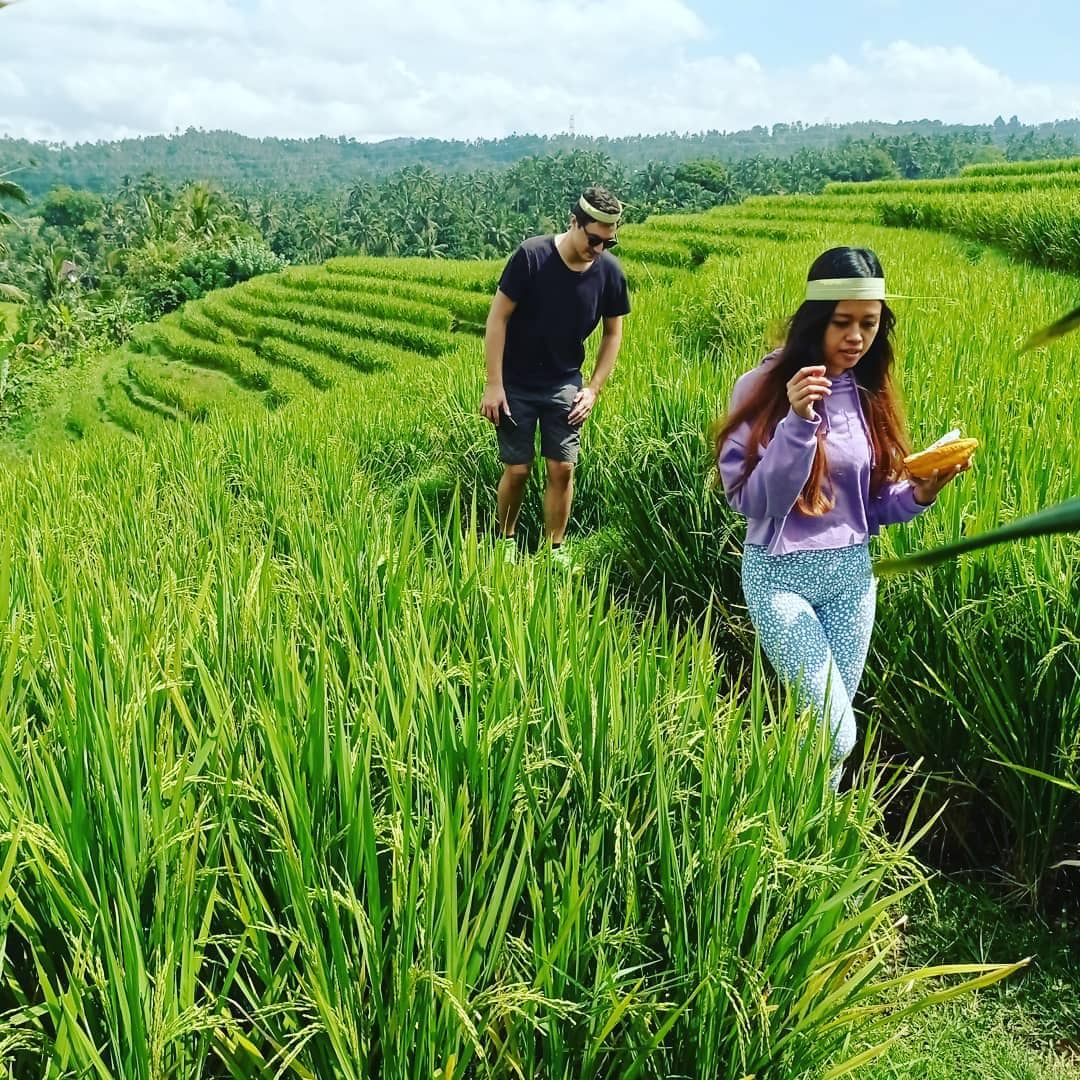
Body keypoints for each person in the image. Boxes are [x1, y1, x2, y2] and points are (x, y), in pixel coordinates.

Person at [714, 247, 970, 788]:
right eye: (842, 323)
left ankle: (809, 831)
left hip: (851, 578)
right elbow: (754, 502)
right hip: (780, 576)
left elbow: (873, 506)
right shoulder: (761, 389)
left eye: (869, 324)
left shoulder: (869, 391)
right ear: (813, 324)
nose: (856, 338)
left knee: (822, 736)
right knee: (837, 731)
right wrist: (799, 422)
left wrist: (920, 492)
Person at [480, 184, 630, 565]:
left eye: (607, 244)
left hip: (564, 380)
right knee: (518, 468)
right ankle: (505, 541)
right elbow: (497, 318)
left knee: (562, 467)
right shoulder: (531, 257)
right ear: (573, 222)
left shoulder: (610, 273)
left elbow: (613, 334)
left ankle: (555, 549)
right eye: (593, 240)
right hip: (515, 380)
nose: (598, 250)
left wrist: (593, 388)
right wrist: (493, 384)